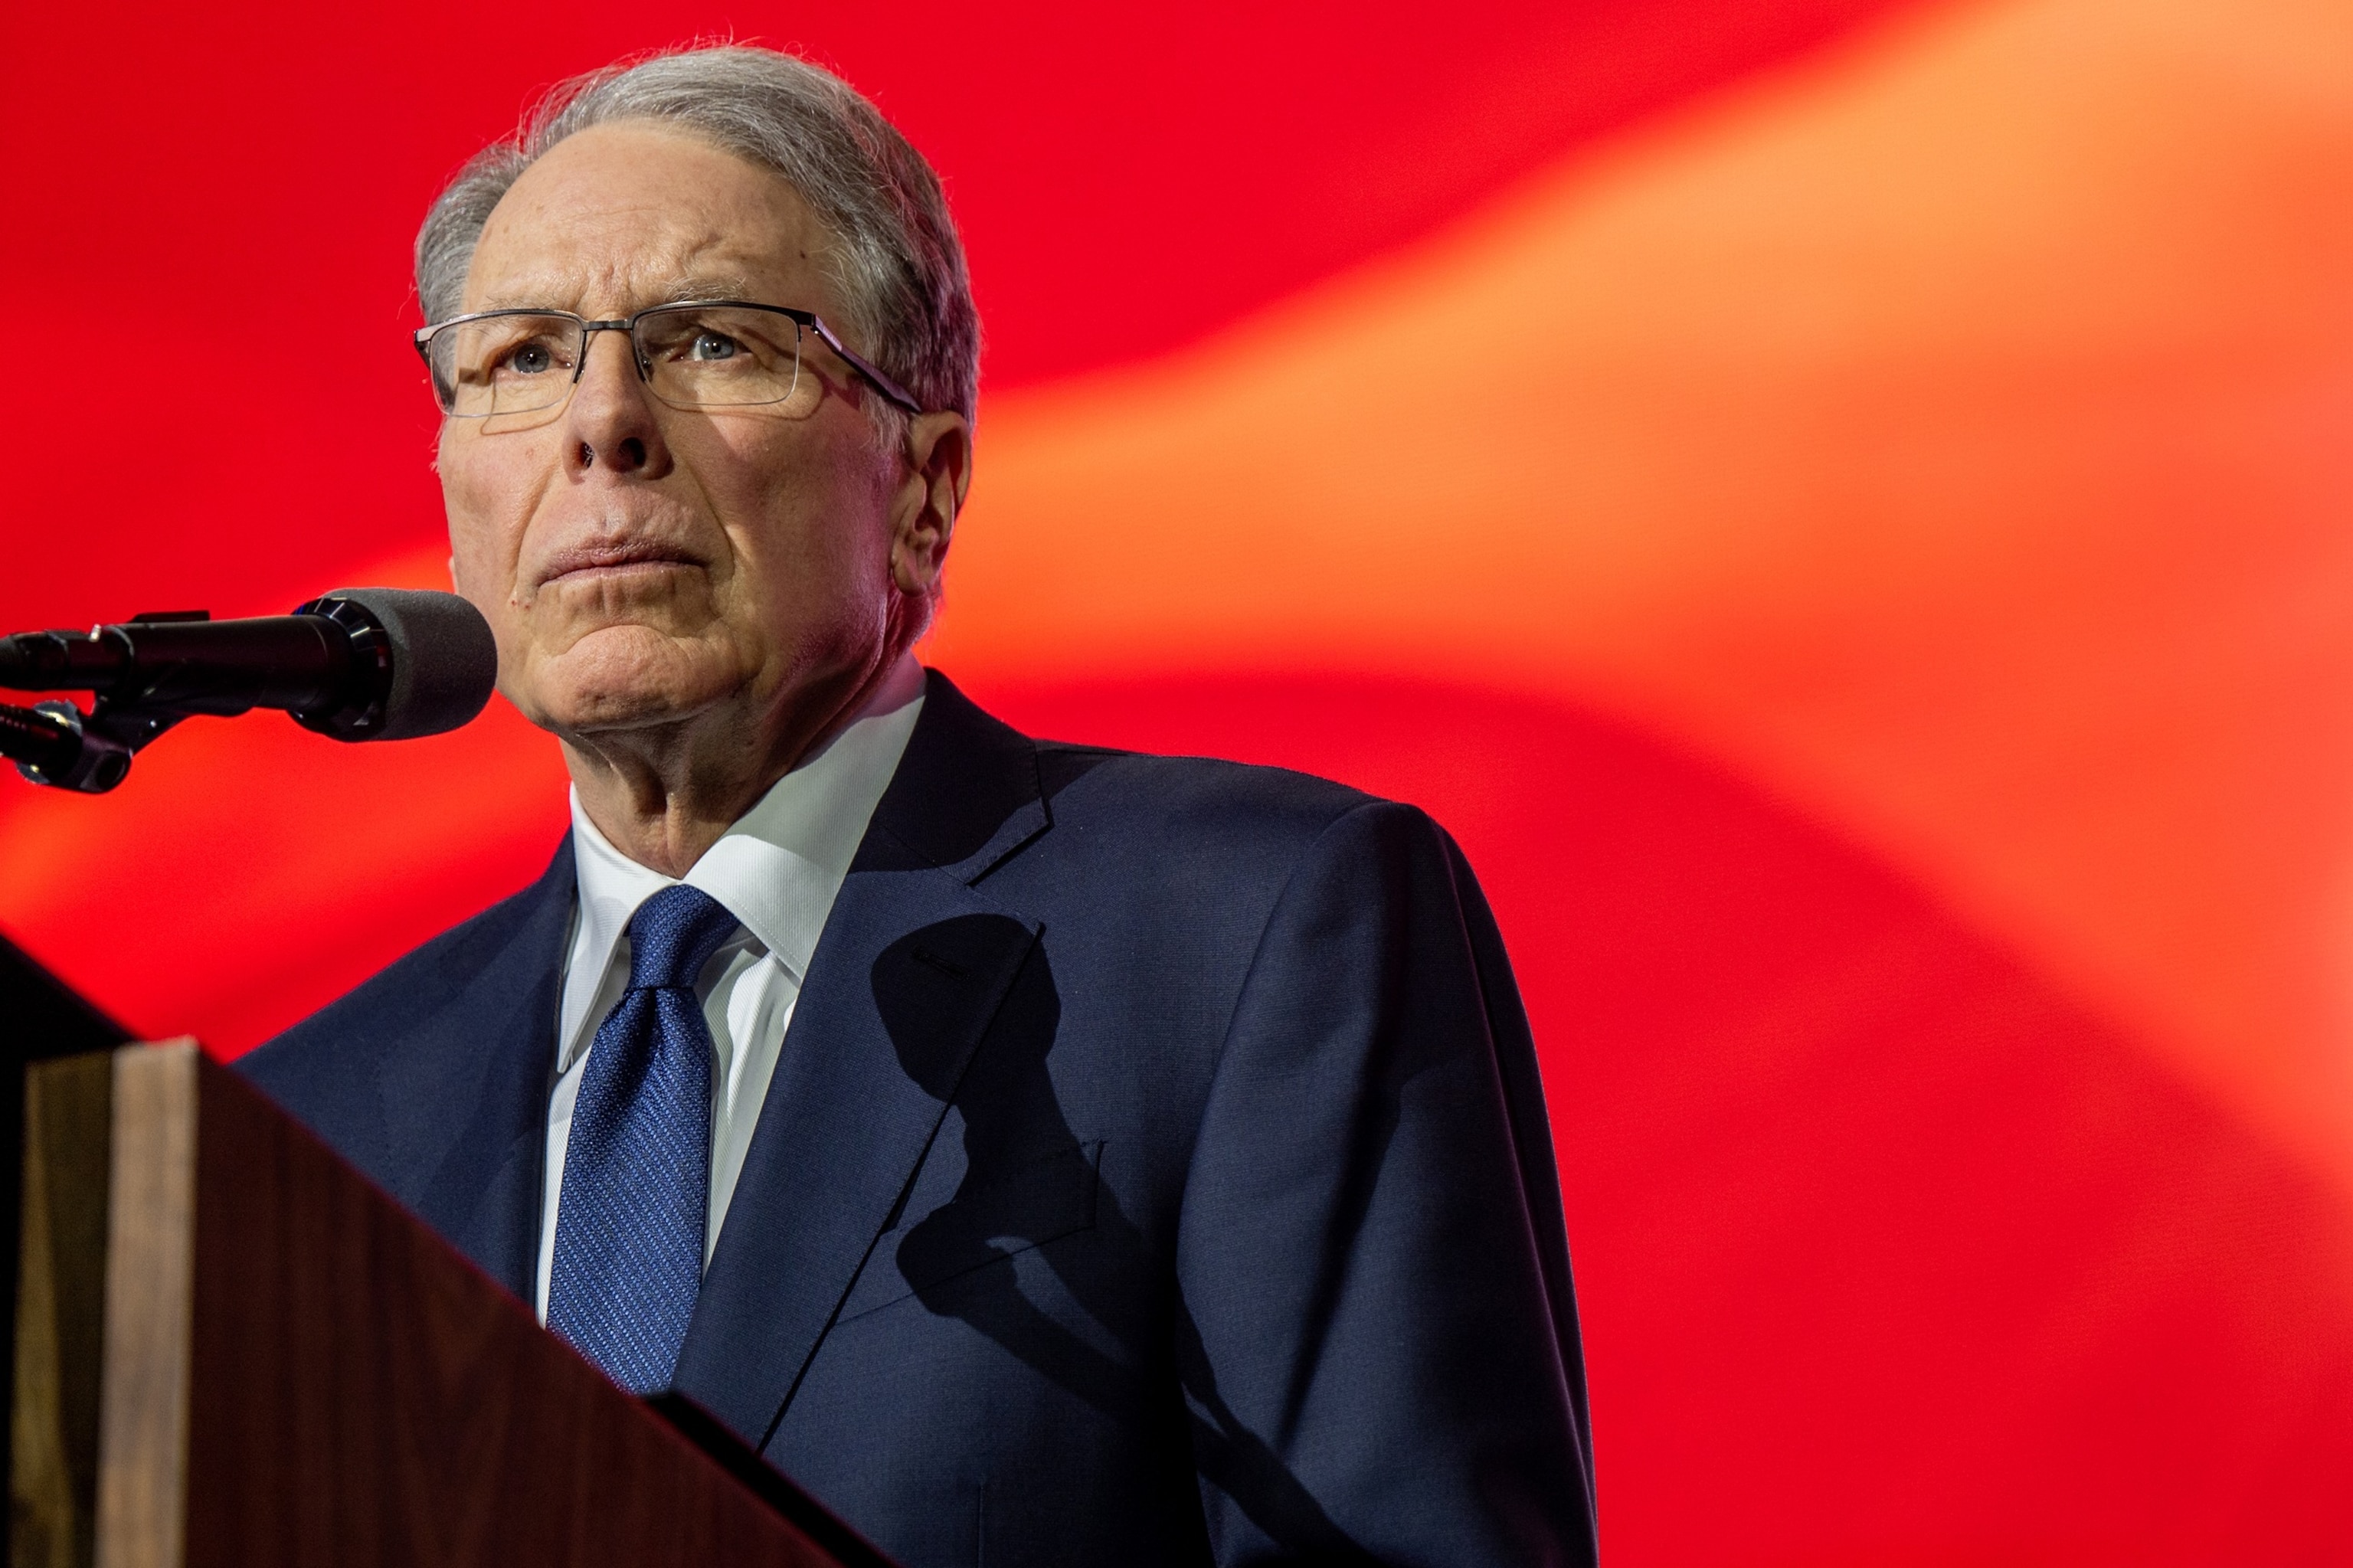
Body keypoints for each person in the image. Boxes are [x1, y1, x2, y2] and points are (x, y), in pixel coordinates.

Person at [242, 44, 1596, 1568]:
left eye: (712, 344)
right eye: (521, 358)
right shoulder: (305, 1130)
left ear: (927, 483)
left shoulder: (1256, 942)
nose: (600, 423)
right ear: (451, 500)